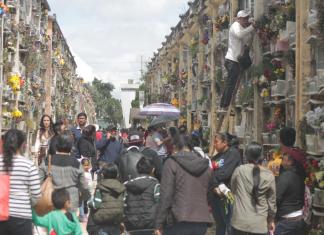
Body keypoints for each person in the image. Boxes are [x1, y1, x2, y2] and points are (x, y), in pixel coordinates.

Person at [154, 133, 214, 235]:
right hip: (201, 221)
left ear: (174, 147)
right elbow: (210, 193)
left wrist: (158, 224)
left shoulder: (171, 163)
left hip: (178, 220)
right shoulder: (206, 166)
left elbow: (166, 196)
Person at [0, 129, 41, 235]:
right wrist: (26, 203)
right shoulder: (28, 165)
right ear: (23, 144)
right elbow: (37, 195)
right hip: (21, 217)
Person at [231, 142, 276, 235]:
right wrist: (271, 220)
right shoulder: (269, 175)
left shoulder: (239, 171)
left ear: (246, 156)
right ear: (262, 156)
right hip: (259, 225)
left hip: (240, 223)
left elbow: (233, 189)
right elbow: (271, 202)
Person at [39, 130, 90, 212]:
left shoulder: (46, 162)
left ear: (57, 145)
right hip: (70, 204)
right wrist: (82, 199)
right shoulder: (76, 164)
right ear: (71, 146)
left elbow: (38, 182)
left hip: (52, 204)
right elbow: (84, 187)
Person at [219, 10, 255, 112]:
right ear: (239, 19)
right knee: (231, 83)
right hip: (231, 60)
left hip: (236, 60)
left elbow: (247, 39)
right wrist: (252, 27)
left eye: (246, 18)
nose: (245, 20)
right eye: (244, 19)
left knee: (231, 82)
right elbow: (240, 35)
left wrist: (250, 25)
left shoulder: (242, 27)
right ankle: (224, 104)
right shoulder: (235, 26)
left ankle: (224, 103)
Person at [209, 133, 242, 235]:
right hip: (215, 195)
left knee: (229, 224)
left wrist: (212, 176)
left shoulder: (233, 153)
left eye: (216, 142)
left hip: (228, 194)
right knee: (220, 224)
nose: (214, 145)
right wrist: (214, 185)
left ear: (225, 142)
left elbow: (224, 174)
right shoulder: (217, 156)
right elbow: (208, 171)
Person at [274, 147, 306, 234]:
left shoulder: (286, 176)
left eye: (284, 160)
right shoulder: (301, 176)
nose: (282, 162)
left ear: (290, 162)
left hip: (286, 220)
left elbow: (277, 197)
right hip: (299, 218)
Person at [124, 156, 160, 235]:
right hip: (151, 224)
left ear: (137, 170)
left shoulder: (126, 185)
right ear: (153, 170)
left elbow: (123, 204)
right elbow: (160, 204)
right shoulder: (155, 184)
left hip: (131, 225)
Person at [87, 163, 125, 235]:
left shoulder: (100, 187)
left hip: (102, 221)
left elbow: (96, 204)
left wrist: (89, 203)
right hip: (116, 221)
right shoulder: (122, 188)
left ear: (102, 175)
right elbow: (124, 203)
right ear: (117, 175)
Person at [79, 158, 93, 222]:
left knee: (86, 203)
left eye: (88, 165)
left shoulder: (89, 173)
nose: (86, 167)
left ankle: (85, 215)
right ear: (81, 165)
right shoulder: (81, 173)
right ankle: (82, 216)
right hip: (82, 190)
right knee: (81, 203)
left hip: (88, 191)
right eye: (85, 165)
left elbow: (90, 183)